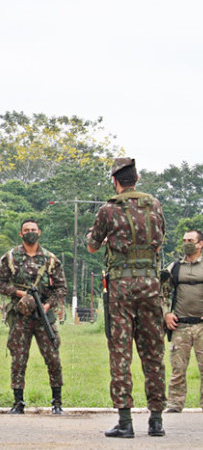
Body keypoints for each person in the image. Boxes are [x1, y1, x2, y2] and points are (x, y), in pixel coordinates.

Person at [87, 157, 166, 438]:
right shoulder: (154, 205)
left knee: (121, 353)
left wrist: (105, 240)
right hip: (151, 286)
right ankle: (156, 420)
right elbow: (160, 238)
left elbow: (93, 246)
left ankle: (125, 421)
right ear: (137, 178)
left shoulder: (109, 209)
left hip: (121, 288)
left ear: (115, 181)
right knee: (153, 353)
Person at [0, 219, 66, 415]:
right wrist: (19, 294)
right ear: (21, 234)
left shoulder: (50, 259)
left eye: (33, 230)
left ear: (39, 232)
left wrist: (48, 304)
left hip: (44, 316)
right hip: (20, 316)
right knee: (18, 359)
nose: (30, 233)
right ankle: (18, 403)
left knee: (53, 358)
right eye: (26, 230)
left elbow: (61, 289)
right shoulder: (10, 257)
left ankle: (57, 402)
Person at [162, 230, 203, 413]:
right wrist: (166, 314)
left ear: (200, 244)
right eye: (185, 240)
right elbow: (161, 292)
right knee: (178, 369)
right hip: (180, 325)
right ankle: (175, 404)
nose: (187, 243)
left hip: (201, 326)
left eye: (191, 241)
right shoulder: (174, 267)